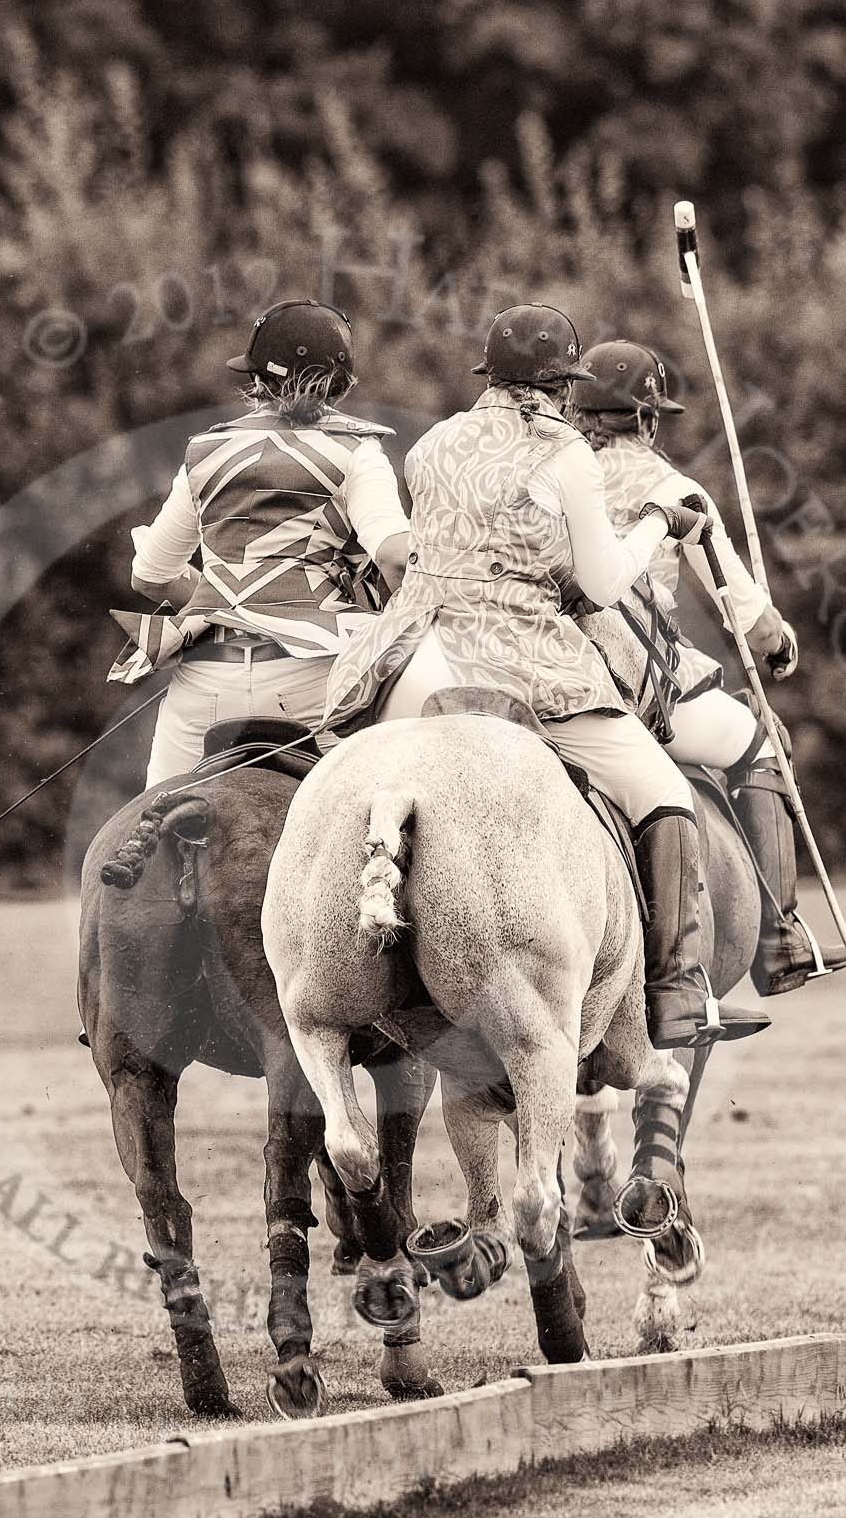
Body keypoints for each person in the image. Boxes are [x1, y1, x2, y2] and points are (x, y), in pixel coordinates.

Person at [324, 304, 768, 1051]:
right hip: (520, 659)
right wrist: (659, 518)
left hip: (412, 657)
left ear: (489, 376)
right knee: (659, 787)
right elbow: (599, 584)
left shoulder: (431, 442)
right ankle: (675, 993)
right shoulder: (564, 452)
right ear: (562, 385)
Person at [573, 340, 846, 995]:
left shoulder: (548, 470)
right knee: (759, 741)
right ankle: (777, 938)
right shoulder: (673, 488)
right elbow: (743, 613)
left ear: (576, 409)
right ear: (646, 419)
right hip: (631, 677)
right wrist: (777, 642)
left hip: (542, 669)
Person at [107, 300, 410, 788]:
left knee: (146, 842)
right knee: (383, 828)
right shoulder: (358, 453)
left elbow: (150, 576)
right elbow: (395, 556)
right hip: (314, 685)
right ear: (340, 382)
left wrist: (227, 598)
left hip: (206, 687)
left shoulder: (206, 451)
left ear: (258, 380)